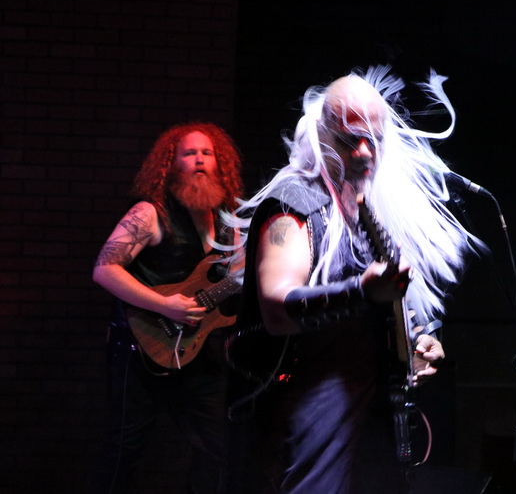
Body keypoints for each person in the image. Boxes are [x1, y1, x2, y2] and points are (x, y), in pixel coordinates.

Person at [226, 66, 483, 494]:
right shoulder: (295, 204)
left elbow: (385, 304)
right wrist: (362, 291)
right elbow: (276, 308)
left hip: (367, 414)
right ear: (321, 135)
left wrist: (419, 339)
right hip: (305, 409)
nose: (364, 152)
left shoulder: (363, 208)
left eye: (374, 140)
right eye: (349, 140)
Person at [86, 122, 244, 494]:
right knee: (125, 449)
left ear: (219, 163)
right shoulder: (150, 213)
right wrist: (164, 304)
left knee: (218, 447)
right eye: (189, 153)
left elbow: (236, 279)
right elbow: (104, 269)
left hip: (198, 351)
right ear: (171, 164)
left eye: (207, 153)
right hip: (141, 349)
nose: (199, 160)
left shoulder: (228, 221)